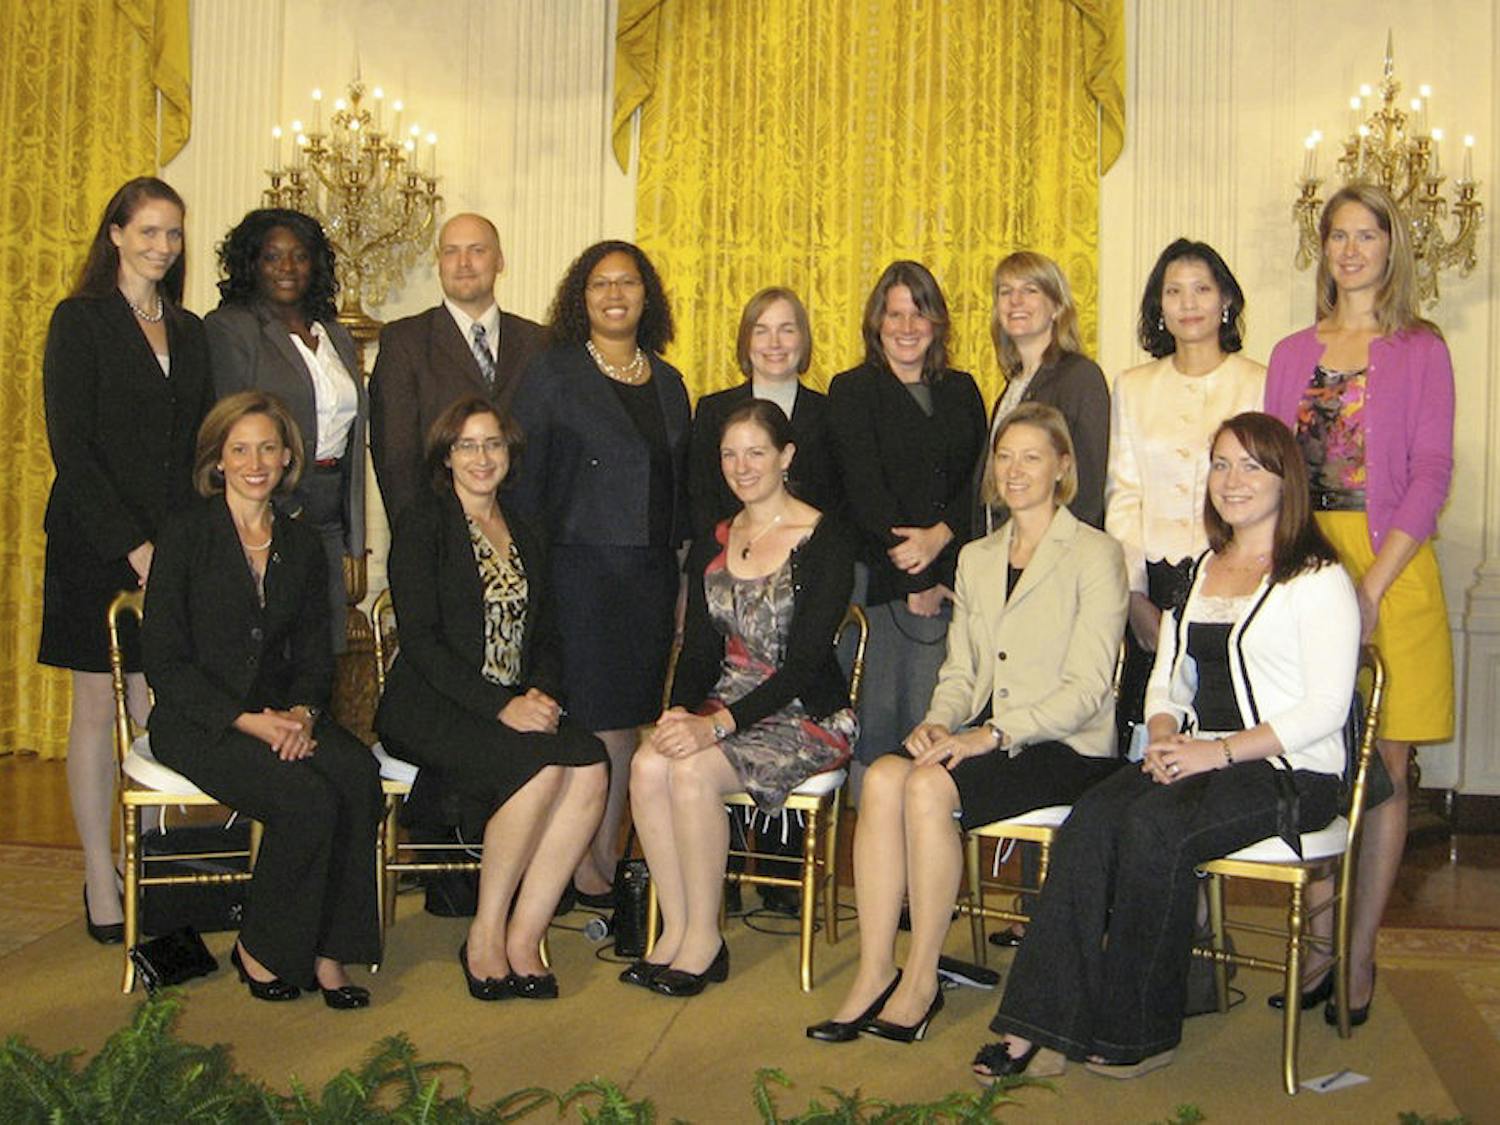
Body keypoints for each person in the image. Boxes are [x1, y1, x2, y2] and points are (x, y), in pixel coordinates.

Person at [973, 412, 1358, 1082]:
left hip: (1290, 772)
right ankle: (1036, 1023)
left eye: (1251, 466)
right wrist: (1159, 730)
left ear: (1284, 478)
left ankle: (1139, 1030)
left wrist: (1218, 751)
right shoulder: (1207, 566)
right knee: (1091, 818)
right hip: (1193, 754)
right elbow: (1168, 675)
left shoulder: (1317, 576)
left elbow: (1325, 710)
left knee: (1154, 827)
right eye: (1220, 463)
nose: (1231, 480)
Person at [809, 402, 1125, 1045]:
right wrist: (936, 721)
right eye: (1004, 456)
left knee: (925, 787)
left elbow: (1090, 690)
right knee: (883, 777)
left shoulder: (1096, 554)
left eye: (1031, 456)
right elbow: (961, 669)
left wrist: (993, 735)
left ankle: (920, 981)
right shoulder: (978, 557)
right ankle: (875, 972)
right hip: (981, 731)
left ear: (1063, 466)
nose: (1014, 470)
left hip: (1064, 745)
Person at [1265, 183, 1454, 1029]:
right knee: (1312, 759)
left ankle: (1363, 947)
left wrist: (1372, 586)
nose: (1351, 250)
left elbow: (1431, 472)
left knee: (1385, 774)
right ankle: (1314, 943)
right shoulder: (1288, 351)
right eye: (1337, 235)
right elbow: (1267, 473)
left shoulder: (1422, 347)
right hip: (1306, 566)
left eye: (1367, 234)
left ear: (1390, 248)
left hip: (1394, 568)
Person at [142, 391, 382, 1008]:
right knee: (306, 801)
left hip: (283, 715)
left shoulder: (301, 545)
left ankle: (330, 952)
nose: (255, 462)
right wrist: (252, 722)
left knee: (357, 775)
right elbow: (166, 663)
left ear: (286, 459)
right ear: (218, 460)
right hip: (201, 722)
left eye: (267, 448)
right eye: (240, 449)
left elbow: (312, 654)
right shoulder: (186, 534)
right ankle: (263, 948)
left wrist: (302, 715)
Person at [376, 397, 608, 999]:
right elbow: (422, 643)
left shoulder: (525, 528)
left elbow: (549, 634)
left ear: (510, 455)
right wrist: (501, 707)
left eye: (494, 445)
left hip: (513, 700)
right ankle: (484, 932)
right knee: (536, 769)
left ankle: (525, 935)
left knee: (589, 767)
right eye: (468, 445)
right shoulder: (422, 523)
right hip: (432, 703)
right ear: (447, 457)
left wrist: (543, 694)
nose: (482, 457)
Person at [625, 400, 857, 995]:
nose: (742, 466)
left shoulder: (824, 537)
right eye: (730, 454)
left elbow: (805, 665)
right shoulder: (716, 539)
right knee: (649, 764)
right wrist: (677, 713)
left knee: (694, 774)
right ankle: (676, 929)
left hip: (805, 714)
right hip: (728, 703)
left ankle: (706, 938)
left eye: (756, 452)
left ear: (786, 457)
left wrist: (716, 727)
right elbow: (700, 652)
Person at [39, 176, 213, 943]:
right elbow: (72, 451)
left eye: (172, 234)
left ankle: (157, 867)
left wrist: (188, 544)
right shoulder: (79, 322)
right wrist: (131, 544)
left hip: (172, 544)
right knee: (94, 708)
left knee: (156, 704)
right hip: (94, 540)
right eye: (147, 231)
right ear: (115, 234)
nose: (161, 246)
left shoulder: (192, 328)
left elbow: (201, 449)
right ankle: (99, 874)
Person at [508, 240, 691, 906]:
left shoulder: (670, 382)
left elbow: (678, 491)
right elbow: (523, 485)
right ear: (579, 298)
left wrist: (682, 579)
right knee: (583, 719)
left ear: (649, 296)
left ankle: (603, 858)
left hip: (647, 578)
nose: (615, 295)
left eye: (628, 283)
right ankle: (572, 863)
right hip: (575, 573)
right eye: (599, 285)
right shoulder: (551, 373)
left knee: (623, 722)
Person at [827, 261, 986, 785]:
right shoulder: (851, 389)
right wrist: (916, 576)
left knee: (933, 724)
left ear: (937, 323)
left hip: (950, 578)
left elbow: (977, 482)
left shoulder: (963, 390)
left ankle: (923, 853)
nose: (906, 327)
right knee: (878, 731)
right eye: (894, 315)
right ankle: (874, 858)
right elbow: (864, 489)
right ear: (877, 323)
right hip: (881, 581)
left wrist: (941, 539)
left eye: (919, 314)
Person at [1107, 239, 1266, 743]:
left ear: (1226, 302)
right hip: (1153, 579)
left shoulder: (1258, 383)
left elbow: (1268, 492)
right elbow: (1124, 493)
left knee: (1223, 720)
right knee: (1149, 729)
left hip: (1231, 575)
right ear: (1159, 308)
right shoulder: (1132, 385)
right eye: (1174, 292)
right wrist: (1133, 598)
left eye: (1202, 289)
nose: (1189, 303)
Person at [204, 208, 366, 652]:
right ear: (251, 264)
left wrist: (354, 525)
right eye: (272, 257)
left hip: (328, 511)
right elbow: (229, 424)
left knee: (323, 644)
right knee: (272, 645)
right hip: (268, 503)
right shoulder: (231, 328)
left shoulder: (336, 335)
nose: (287, 268)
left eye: (299, 256)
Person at [370, 213, 548, 525]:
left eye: (477, 250)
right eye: (451, 251)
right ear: (439, 263)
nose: (463, 262)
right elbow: (395, 457)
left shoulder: (539, 342)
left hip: (526, 531)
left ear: (500, 261)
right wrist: (417, 535)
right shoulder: (405, 341)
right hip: (437, 532)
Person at [974, 251, 1110, 534]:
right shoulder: (1012, 386)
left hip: (1053, 560)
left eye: (1030, 290)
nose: (1015, 301)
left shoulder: (1080, 377)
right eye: (1005, 291)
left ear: (1057, 307)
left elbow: (1088, 488)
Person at [688, 287, 841, 537]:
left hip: (815, 556)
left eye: (787, 330)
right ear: (746, 340)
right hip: (730, 555)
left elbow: (841, 502)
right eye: (761, 331)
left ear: (803, 338)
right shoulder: (713, 411)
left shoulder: (832, 412)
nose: (774, 343)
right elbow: (702, 498)